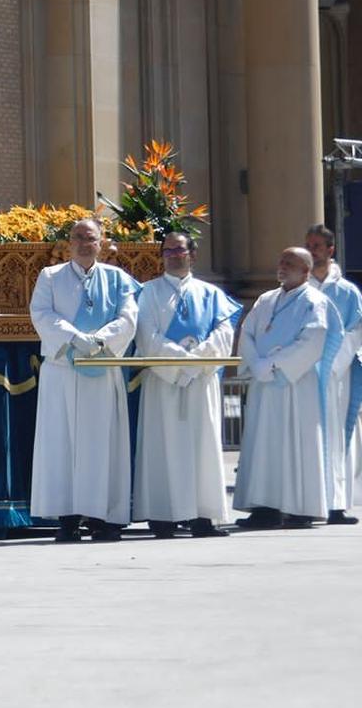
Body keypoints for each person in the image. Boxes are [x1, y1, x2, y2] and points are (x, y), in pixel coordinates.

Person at [28, 219, 140, 542]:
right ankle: (67, 518)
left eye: (89, 238)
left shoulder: (118, 279)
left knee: (102, 445)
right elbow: (41, 314)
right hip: (62, 370)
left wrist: (101, 340)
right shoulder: (50, 277)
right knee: (61, 445)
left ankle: (104, 517)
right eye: (77, 237)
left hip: (102, 371)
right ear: (68, 242)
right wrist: (77, 339)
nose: (83, 243)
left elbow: (128, 317)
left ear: (101, 243)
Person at [131, 232, 241, 538]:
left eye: (180, 249)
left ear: (192, 254)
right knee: (161, 445)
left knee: (202, 447)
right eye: (168, 250)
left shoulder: (212, 295)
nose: (174, 255)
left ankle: (202, 517)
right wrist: (178, 364)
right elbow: (146, 336)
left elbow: (223, 334)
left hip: (201, 382)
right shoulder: (147, 293)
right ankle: (163, 516)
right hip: (163, 383)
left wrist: (194, 365)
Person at [235, 249, 333, 529]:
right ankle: (265, 507)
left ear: (305, 271)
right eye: (281, 261)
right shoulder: (265, 299)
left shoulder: (315, 301)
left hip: (295, 385)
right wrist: (256, 364)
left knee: (295, 444)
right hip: (264, 385)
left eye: (290, 263)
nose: (282, 267)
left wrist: (275, 364)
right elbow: (248, 333)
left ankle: (299, 508)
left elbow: (313, 340)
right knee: (262, 444)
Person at [304, 224, 362, 525]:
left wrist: (333, 362)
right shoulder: (300, 290)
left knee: (336, 437)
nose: (312, 251)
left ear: (330, 250)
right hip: (304, 375)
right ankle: (307, 499)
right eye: (308, 245)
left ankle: (337, 503)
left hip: (337, 377)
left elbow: (356, 331)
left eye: (317, 246)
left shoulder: (348, 292)